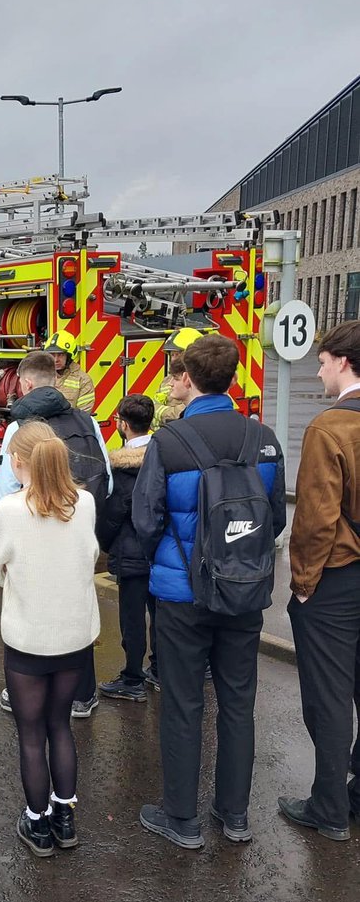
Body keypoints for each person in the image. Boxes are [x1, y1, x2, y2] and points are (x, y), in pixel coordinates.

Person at [132, 334, 285, 849]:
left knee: (182, 702)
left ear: (187, 379)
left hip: (182, 595)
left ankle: (181, 818)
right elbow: (274, 518)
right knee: (239, 701)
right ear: (233, 378)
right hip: (245, 589)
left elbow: (147, 518)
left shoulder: (169, 442)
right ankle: (234, 815)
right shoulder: (263, 439)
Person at [0, 422, 100, 855]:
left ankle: (37, 823)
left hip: (29, 638)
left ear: (16, 461)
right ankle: (65, 818)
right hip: (74, 636)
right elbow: (88, 556)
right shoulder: (83, 503)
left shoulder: (8, 511)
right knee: (60, 725)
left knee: (31, 733)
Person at [0, 350, 110, 719]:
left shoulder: (20, 427)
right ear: (56, 381)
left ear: (25, 384)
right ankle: (82, 696)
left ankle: (24, 691)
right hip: (77, 530)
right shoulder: (86, 420)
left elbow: (2, 489)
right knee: (75, 610)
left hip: (32, 539)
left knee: (32, 612)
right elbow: (104, 476)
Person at [280, 319, 360, 842]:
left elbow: (315, 521)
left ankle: (329, 807)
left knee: (329, 698)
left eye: (323, 361)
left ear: (344, 362)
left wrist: (303, 584)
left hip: (338, 581)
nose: (319, 370)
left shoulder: (328, 428)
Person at [97, 394, 157, 701]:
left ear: (122, 425)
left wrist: (106, 544)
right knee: (159, 614)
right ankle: (158, 669)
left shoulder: (121, 467)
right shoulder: (164, 457)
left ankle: (132, 679)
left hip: (131, 554)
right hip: (160, 553)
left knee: (132, 620)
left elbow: (113, 514)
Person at [151, 327, 203, 430]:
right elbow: (152, 420)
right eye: (172, 355)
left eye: (177, 354)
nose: (173, 359)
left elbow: (178, 415)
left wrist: (155, 411)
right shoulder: (168, 380)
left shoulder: (200, 384)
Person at [44, 329, 96, 413]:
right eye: (52, 355)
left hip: (71, 425)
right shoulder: (43, 376)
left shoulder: (83, 380)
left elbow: (83, 414)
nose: (56, 360)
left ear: (69, 356)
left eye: (60, 355)